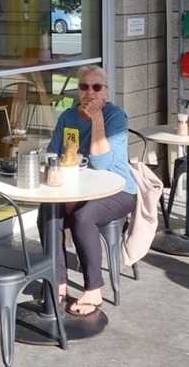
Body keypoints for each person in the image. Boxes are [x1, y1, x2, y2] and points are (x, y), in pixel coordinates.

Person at [39, 65, 137, 316]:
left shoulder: (116, 117)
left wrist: (96, 119)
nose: (90, 93)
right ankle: (58, 280)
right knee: (48, 212)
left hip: (118, 190)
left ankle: (94, 288)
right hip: (77, 188)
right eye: (84, 87)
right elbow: (53, 152)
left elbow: (101, 164)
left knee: (84, 217)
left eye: (97, 87)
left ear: (106, 92)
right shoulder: (67, 117)